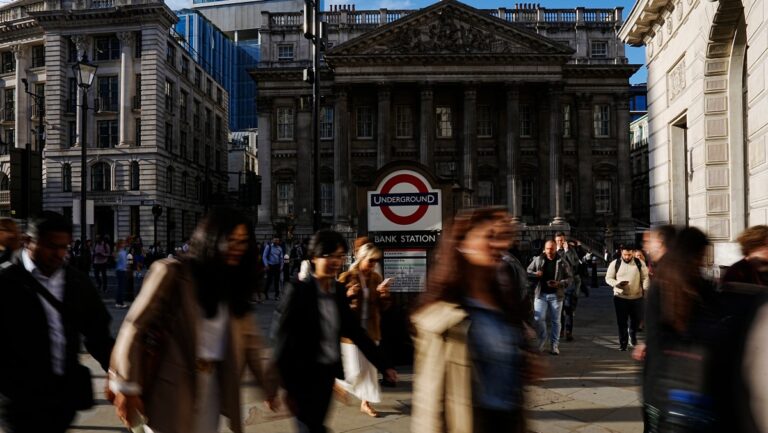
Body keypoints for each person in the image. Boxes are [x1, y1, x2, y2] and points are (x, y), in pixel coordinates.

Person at [109, 208, 278, 433]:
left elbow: (250, 342)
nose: (237, 247)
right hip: (170, 388)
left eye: (243, 241)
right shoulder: (172, 273)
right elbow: (134, 326)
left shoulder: (233, 285)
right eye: (231, 239)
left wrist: (269, 386)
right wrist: (126, 386)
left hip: (211, 389)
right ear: (211, 237)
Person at [411, 208, 536, 433]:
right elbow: (430, 402)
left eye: (503, 237)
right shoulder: (442, 316)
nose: (500, 245)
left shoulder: (504, 305)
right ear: (463, 243)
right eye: (489, 236)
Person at [271, 229, 397, 433]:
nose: (335, 262)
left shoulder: (337, 292)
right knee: (311, 427)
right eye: (329, 256)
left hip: (327, 376)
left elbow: (356, 331)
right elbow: (281, 339)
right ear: (314, 257)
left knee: (316, 426)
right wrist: (281, 386)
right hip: (302, 379)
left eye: (339, 256)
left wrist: (384, 366)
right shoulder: (297, 291)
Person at [0, 211, 114, 433]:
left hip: (62, 400)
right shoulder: (6, 281)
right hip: (19, 403)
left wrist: (119, 373)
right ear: (28, 241)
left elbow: (98, 335)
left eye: (64, 247)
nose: (59, 254)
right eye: (51, 246)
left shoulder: (77, 282)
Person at [336, 243, 392, 417]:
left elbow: (383, 307)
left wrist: (383, 294)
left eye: (376, 261)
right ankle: (338, 382)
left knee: (369, 371)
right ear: (361, 258)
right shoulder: (347, 276)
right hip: (352, 332)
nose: (373, 264)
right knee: (355, 370)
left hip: (371, 329)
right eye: (371, 260)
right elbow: (334, 302)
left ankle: (365, 403)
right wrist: (348, 295)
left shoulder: (375, 277)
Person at [527, 240, 573, 355]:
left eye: (551, 249)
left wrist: (559, 283)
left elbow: (570, 278)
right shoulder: (538, 259)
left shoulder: (562, 261)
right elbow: (528, 271)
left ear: (555, 249)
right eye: (547, 249)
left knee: (556, 321)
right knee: (538, 318)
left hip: (556, 295)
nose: (549, 251)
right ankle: (542, 339)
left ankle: (554, 345)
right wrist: (535, 274)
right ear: (544, 248)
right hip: (540, 294)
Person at [605, 245, 649, 351]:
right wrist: (617, 284)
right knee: (622, 322)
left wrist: (646, 289)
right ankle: (623, 343)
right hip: (620, 297)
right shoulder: (615, 263)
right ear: (621, 253)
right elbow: (608, 278)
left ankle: (632, 336)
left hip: (636, 297)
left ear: (633, 253)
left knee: (635, 321)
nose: (627, 257)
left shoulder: (639, 263)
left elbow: (645, 277)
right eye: (625, 254)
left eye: (629, 254)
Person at [554, 232, 581, 342]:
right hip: (558, 284)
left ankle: (569, 332)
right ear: (555, 241)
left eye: (562, 240)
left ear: (564, 240)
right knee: (559, 309)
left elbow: (575, 264)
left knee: (568, 308)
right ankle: (560, 330)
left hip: (569, 283)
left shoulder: (570, 250)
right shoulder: (553, 251)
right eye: (558, 241)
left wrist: (567, 251)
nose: (560, 242)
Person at [114, 239, 130, 308]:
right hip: (120, 271)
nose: (125, 244)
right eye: (123, 243)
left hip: (122, 270)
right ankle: (119, 303)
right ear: (120, 244)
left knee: (121, 287)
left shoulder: (123, 251)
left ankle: (119, 302)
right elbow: (118, 261)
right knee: (121, 287)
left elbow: (125, 262)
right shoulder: (120, 252)